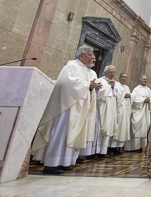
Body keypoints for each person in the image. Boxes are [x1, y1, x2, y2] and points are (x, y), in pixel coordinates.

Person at [31, 45, 98, 174]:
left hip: (78, 107)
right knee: (61, 135)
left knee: (72, 135)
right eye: (90, 55)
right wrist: (87, 85)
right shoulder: (71, 66)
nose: (92, 58)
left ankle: (66, 162)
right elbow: (66, 84)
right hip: (67, 108)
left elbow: (84, 85)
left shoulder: (84, 69)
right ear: (82, 55)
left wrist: (90, 86)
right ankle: (52, 163)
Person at [96, 65, 118, 157]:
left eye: (114, 72)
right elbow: (100, 95)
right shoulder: (101, 80)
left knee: (108, 128)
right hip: (102, 109)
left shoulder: (114, 83)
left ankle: (103, 151)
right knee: (99, 129)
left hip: (110, 110)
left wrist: (112, 88)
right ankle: (96, 151)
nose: (112, 74)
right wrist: (109, 86)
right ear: (105, 72)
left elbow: (116, 95)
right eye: (110, 72)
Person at [130, 75, 151, 152]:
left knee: (144, 128)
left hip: (145, 112)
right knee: (137, 128)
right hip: (138, 111)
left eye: (146, 79)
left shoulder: (148, 90)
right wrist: (143, 100)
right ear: (140, 80)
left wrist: (149, 100)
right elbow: (133, 99)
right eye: (144, 79)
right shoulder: (136, 89)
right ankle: (134, 147)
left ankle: (141, 146)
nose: (145, 81)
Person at [111, 73, 132, 154]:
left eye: (126, 77)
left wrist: (130, 96)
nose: (125, 79)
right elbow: (115, 94)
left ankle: (119, 147)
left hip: (125, 110)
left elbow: (130, 97)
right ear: (119, 78)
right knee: (116, 127)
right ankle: (112, 147)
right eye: (123, 77)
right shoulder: (116, 84)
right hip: (118, 109)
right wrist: (124, 95)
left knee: (122, 128)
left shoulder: (127, 87)